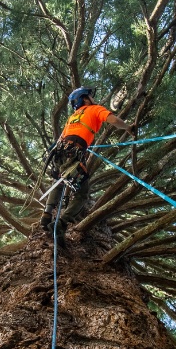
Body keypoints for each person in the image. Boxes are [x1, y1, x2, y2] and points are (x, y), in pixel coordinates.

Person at [40, 87, 134, 244]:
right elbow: (114, 121)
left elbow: (60, 139)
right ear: (84, 98)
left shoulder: (73, 116)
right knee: (82, 194)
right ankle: (61, 224)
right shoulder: (94, 109)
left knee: (58, 181)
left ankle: (47, 213)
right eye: (90, 95)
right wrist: (129, 128)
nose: (93, 97)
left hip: (59, 153)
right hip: (75, 152)